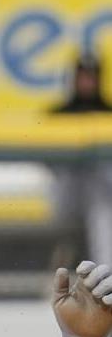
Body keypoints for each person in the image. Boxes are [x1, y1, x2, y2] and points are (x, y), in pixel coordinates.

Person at [48, 51, 112, 269]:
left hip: (99, 196)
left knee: (102, 205)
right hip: (66, 194)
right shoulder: (58, 114)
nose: (87, 82)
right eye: (83, 76)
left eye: (91, 77)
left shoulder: (107, 112)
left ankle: (105, 278)